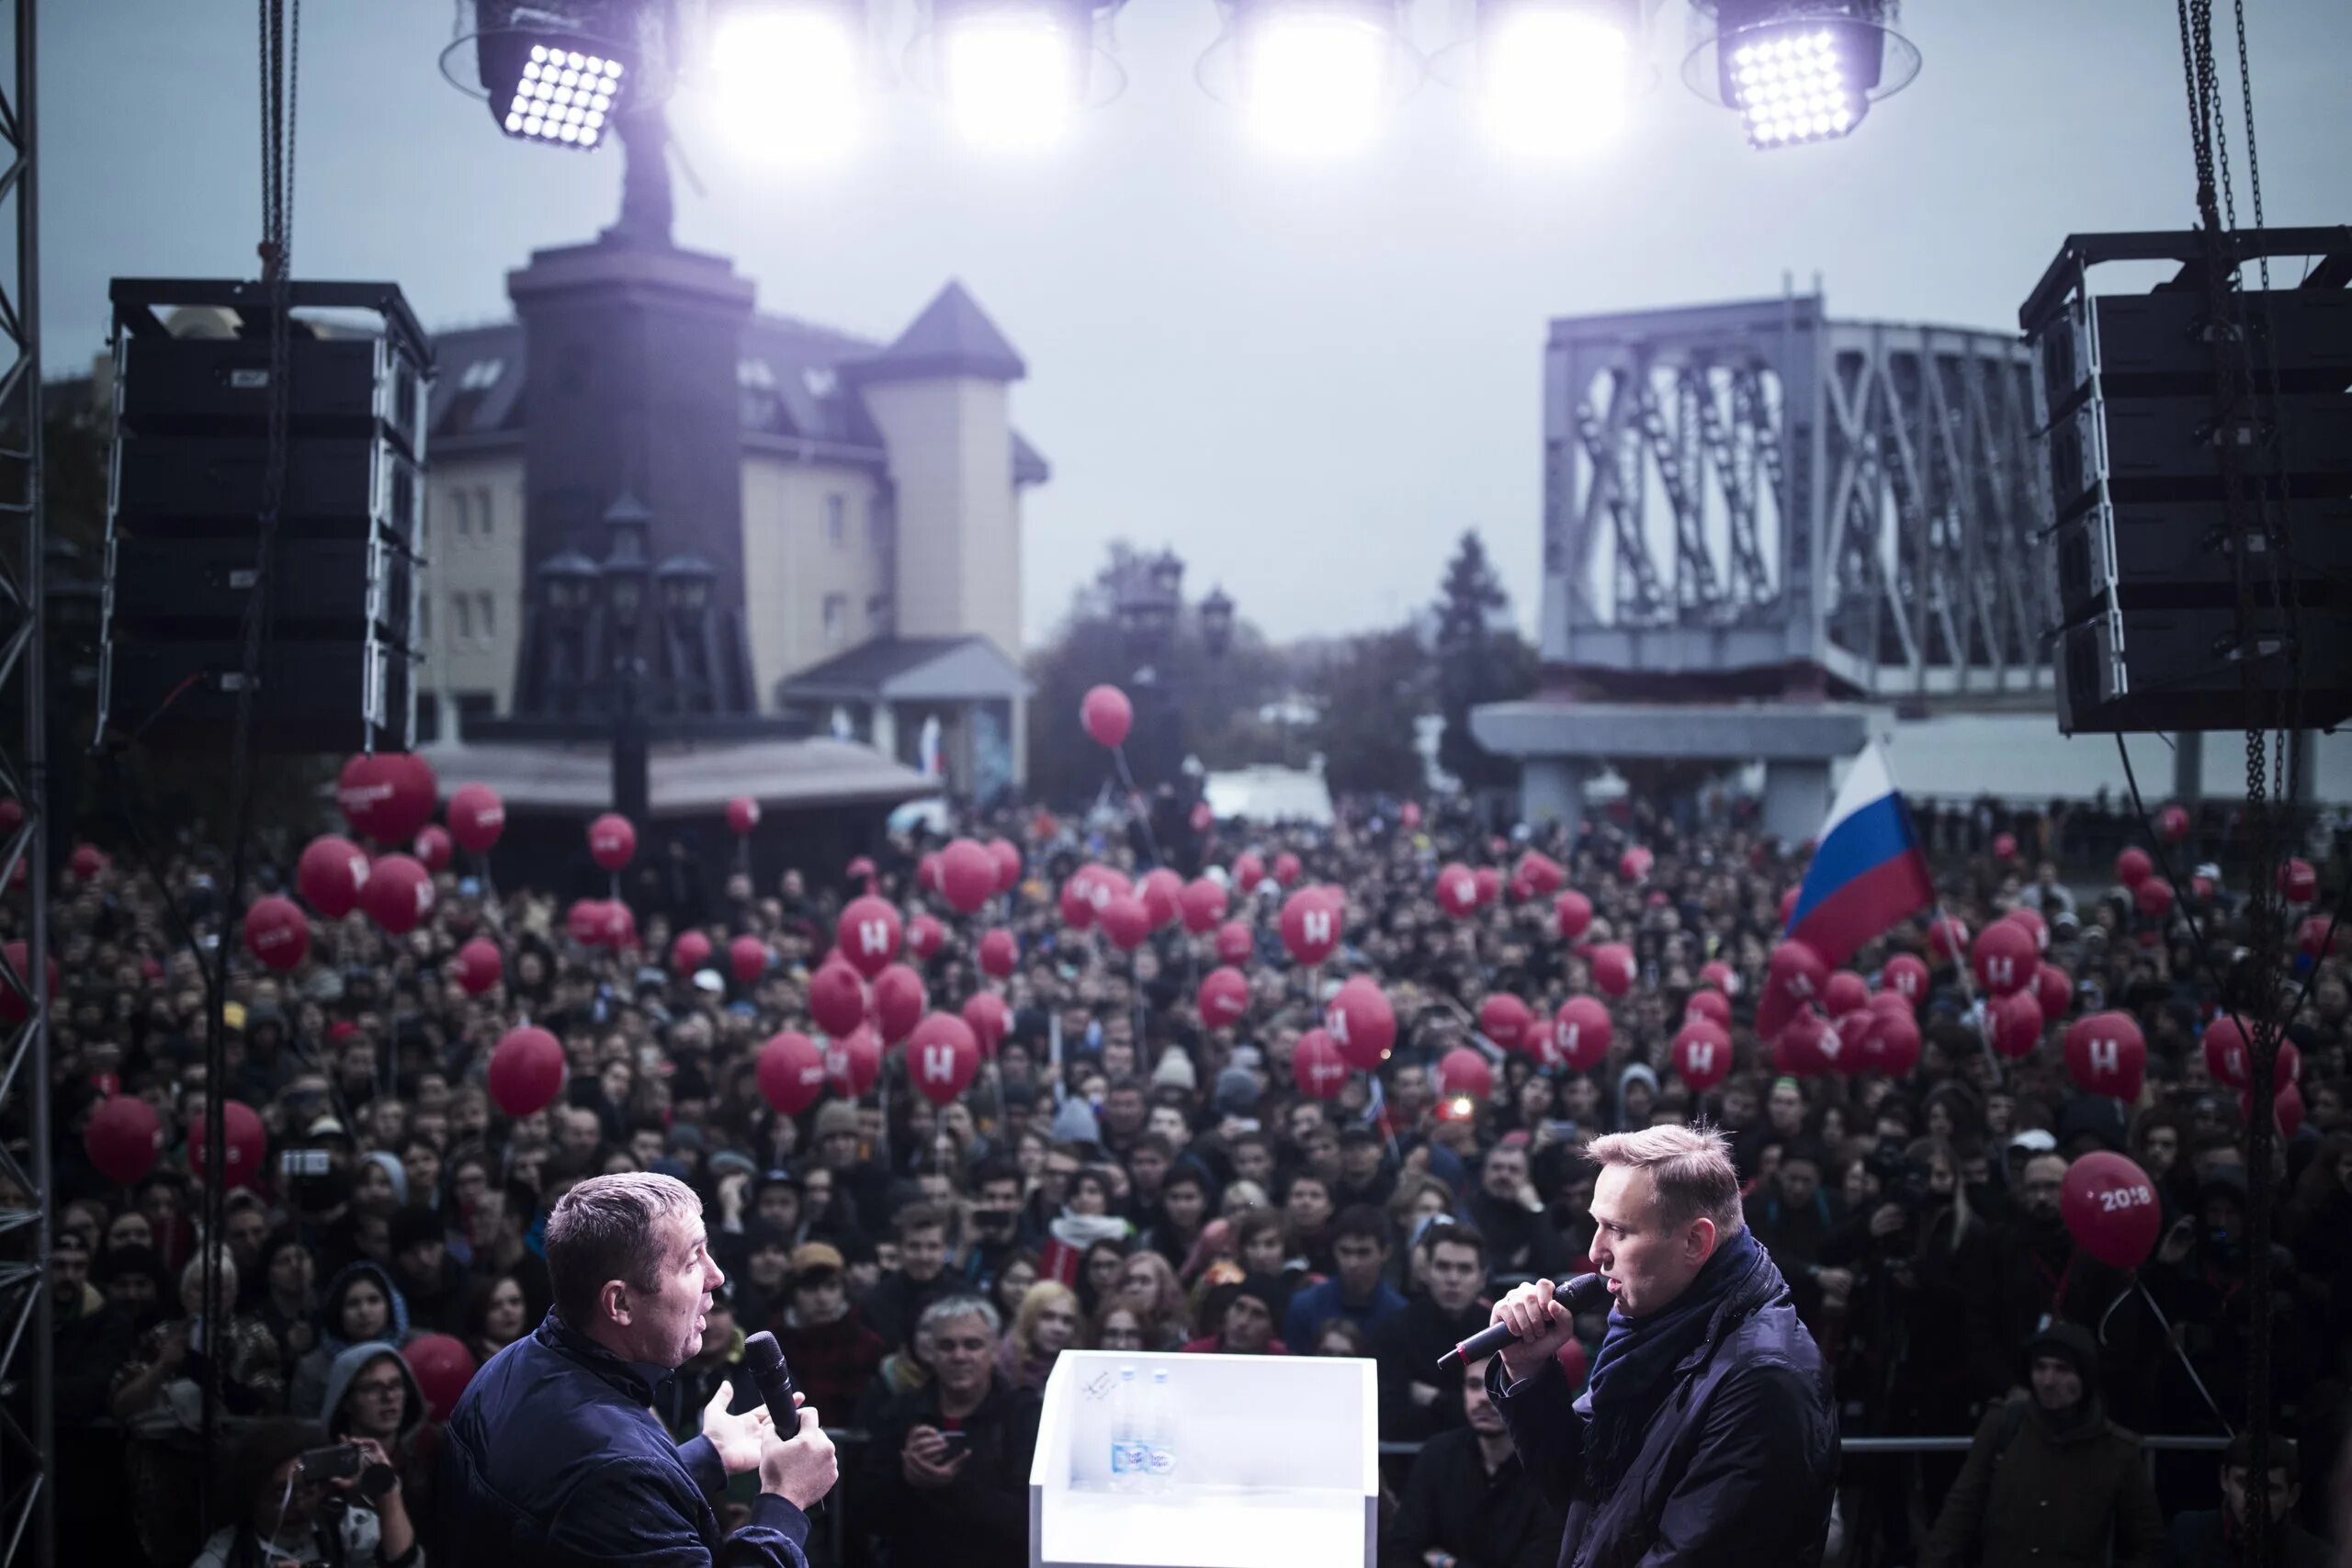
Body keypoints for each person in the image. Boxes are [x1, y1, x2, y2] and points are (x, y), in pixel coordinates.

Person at [436, 1172, 838, 1567]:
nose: (715, 1277)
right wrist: (784, 1501)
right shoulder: (616, 1474)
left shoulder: (505, 1366)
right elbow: (607, 1485)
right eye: (692, 1260)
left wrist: (706, 1457)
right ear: (620, 1304)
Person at [1483, 1124, 1836, 1568]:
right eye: (1597, 1224)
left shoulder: (1764, 1378)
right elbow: (1585, 1488)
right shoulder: (1656, 1326)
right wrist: (1528, 1371)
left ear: (1695, 1242)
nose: (1595, 1252)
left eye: (1618, 1230)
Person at [1920, 1322, 2165, 1568]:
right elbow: (1959, 1514)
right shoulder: (2003, 1426)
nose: (2048, 1381)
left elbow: (2151, 1543)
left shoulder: (2116, 1449)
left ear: (2085, 1377)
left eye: (2062, 1369)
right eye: (2040, 1367)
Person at [851, 1295, 1042, 1568]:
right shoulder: (900, 1412)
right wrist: (906, 1478)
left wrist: (953, 1484)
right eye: (947, 1346)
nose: (959, 1356)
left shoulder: (1022, 1413)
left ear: (995, 1350)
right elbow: (863, 1510)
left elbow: (1030, 1518)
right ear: (930, 1352)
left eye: (973, 1345)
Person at [1383, 1352, 1563, 1568]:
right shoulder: (1438, 1453)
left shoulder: (1549, 1467)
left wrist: (1447, 1563)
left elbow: (1543, 1560)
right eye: (1474, 1385)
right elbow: (1403, 1549)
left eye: (1498, 1385)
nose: (1483, 1398)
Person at [192, 1417, 422, 1568]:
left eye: (309, 1489)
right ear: (253, 1496)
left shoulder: (342, 1527)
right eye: (281, 1494)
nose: (300, 1504)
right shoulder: (227, 1553)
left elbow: (409, 1565)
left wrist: (387, 1490)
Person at [2163, 1433, 2329, 1568]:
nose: (2255, 1500)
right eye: (2243, 1483)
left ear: (2293, 1495)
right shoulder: (2189, 1535)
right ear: (2224, 1479)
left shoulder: (2316, 1558)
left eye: (2270, 1489)